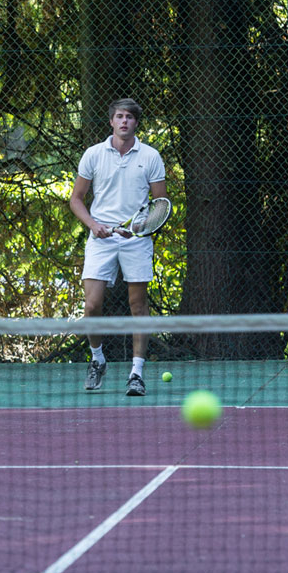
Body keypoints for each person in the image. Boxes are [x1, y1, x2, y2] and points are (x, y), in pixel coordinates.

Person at [69, 98, 167, 396]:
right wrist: (93, 225)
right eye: (119, 117)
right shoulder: (94, 155)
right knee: (92, 304)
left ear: (136, 123)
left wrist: (139, 228)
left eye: (130, 118)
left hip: (135, 241)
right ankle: (98, 360)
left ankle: (136, 373)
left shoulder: (150, 156)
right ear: (111, 121)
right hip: (101, 239)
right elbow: (76, 199)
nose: (124, 122)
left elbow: (160, 205)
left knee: (138, 305)